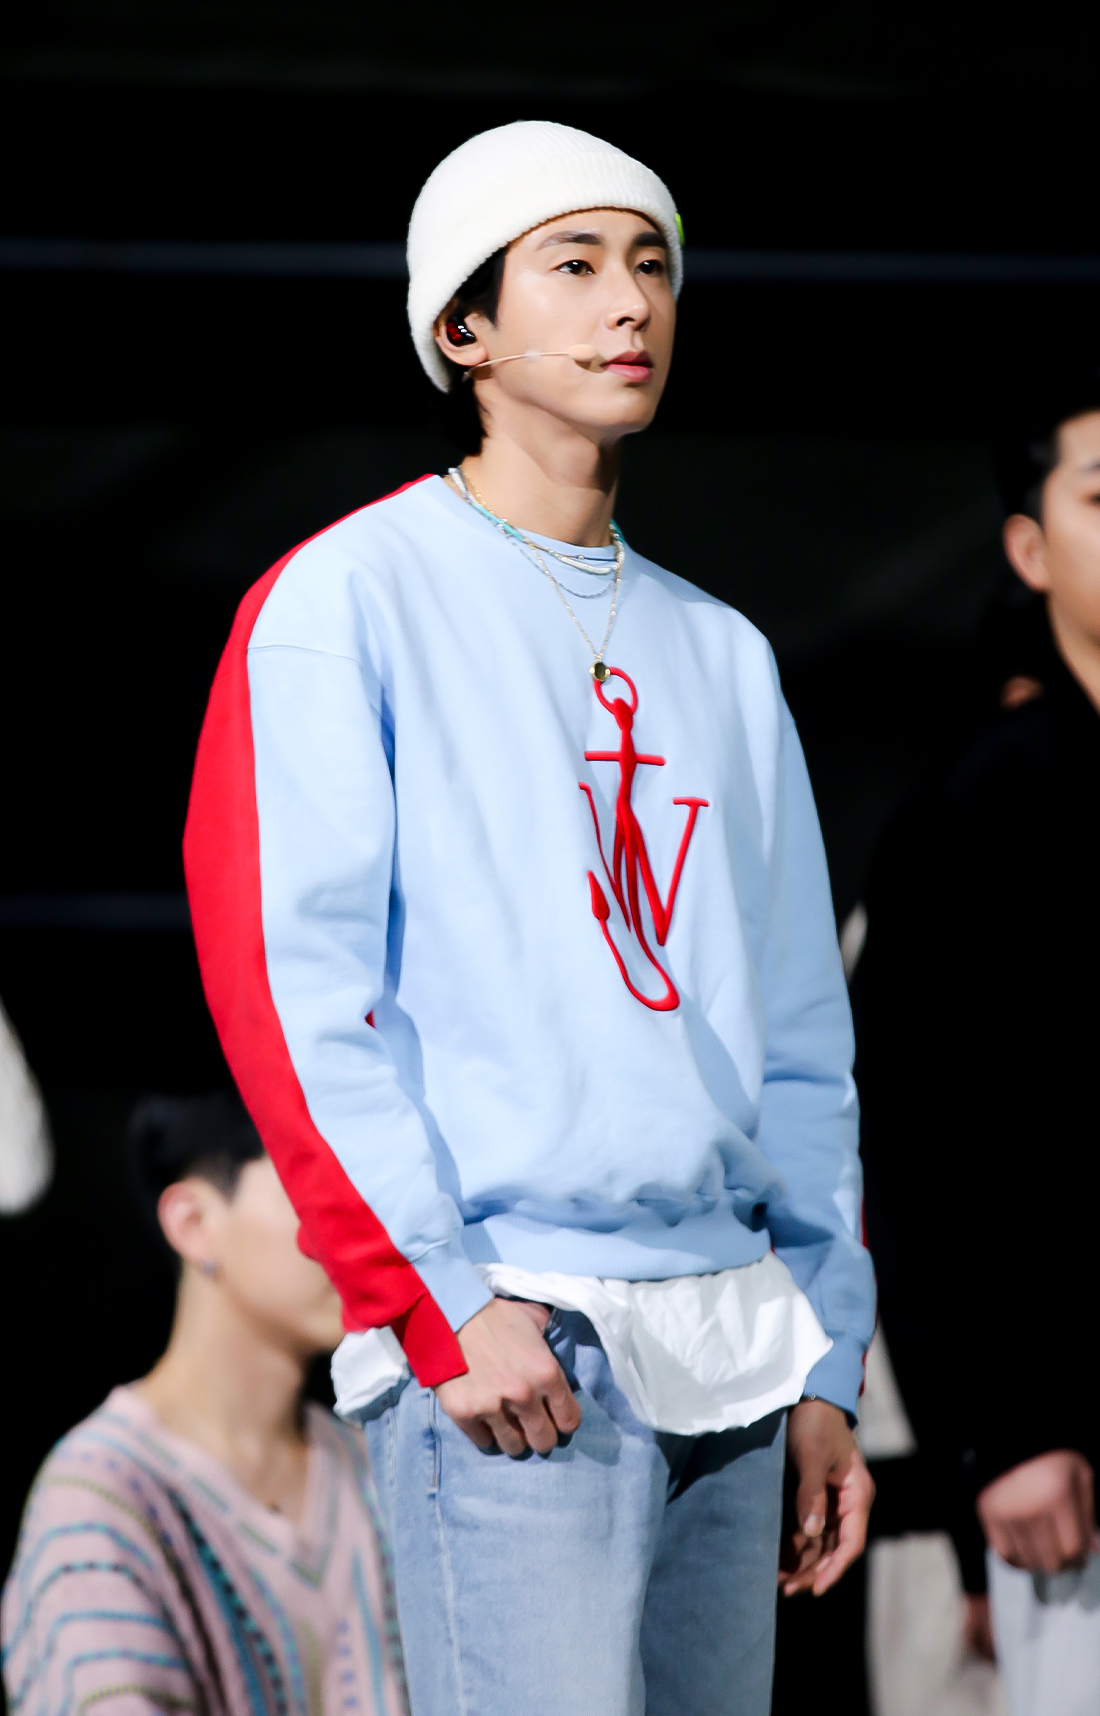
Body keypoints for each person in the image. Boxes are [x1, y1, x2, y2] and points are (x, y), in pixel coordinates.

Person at [182, 121, 876, 1716]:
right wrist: (440, 1302)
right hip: (514, 1332)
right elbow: (293, 982)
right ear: (464, 327)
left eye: (651, 264)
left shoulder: (723, 653)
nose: (630, 301)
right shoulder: (347, 598)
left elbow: (800, 1037)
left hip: (735, 1348)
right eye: (573, 264)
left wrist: (826, 1355)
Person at [855, 365, 1100, 1716]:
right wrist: (1001, 1433)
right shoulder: (976, 816)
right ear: (1028, 547)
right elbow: (924, 1146)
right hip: (1071, 1467)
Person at [1, 1092, 408, 1716]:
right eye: (312, 1187)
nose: (358, 1229)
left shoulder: (374, 1466)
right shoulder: (101, 1496)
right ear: (193, 1223)